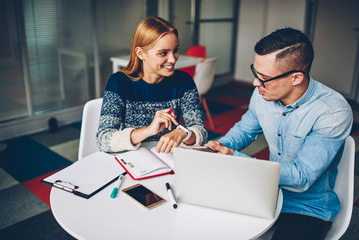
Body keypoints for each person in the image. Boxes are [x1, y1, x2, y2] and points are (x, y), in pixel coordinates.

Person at [206, 27, 353, 240]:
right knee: (207, 223)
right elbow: (245, 130)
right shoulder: (262, 93)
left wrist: (235, 159)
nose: (256, 83)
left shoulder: (333, 111)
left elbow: (302, 177)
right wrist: (217, 147)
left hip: (307, 208)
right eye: (255, 72)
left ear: (296, 78)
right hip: (265, 191)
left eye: (264, 77)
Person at [97, 17, 207, 153]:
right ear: (140, 53)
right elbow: (103, 139)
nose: (173, 59)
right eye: (163, 53)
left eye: (175, 50)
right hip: (133, 159)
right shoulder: (118, 82)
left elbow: (201, 131)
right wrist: (148, 130)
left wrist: (183, 133)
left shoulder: (184, 81)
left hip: (168, 159)